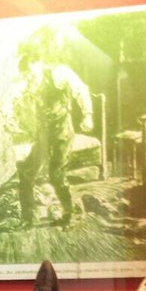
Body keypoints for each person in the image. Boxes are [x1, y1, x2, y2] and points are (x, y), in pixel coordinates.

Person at [13, 53, 94, 227]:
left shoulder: (59, 75)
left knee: (56, 174)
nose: (28, 77)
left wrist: (87, 115)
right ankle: (27, 218)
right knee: (27, 172)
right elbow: (19, 102)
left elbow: (82, 90)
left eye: (30, 73)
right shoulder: (28, 84)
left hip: (62, 130)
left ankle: (69, 215)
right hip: (43, 132)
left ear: (38, 65)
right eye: (25, 75)